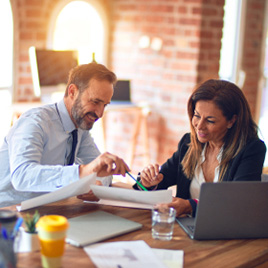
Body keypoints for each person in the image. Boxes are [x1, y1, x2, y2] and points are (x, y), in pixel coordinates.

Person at [0, 62, 130, 208]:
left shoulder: (80, 129)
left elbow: (103, 174)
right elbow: (22, 176)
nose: (100, 113)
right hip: (9, 213)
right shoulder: (35, 122)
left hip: (49, 209)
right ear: (72, 92)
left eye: (105, 105)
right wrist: (82, 173)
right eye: (95, 102)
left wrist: (97, 186)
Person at [133, 79, 266, 217]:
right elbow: (160, 181)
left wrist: (190, 206)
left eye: (210, 121)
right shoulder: (188, 143)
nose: (199, 125)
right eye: (197, 116)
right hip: (184, 229)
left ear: (232, 120)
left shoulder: (251, 150)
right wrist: (147, 182)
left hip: (226, 233)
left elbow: (239, 202)